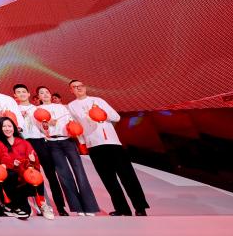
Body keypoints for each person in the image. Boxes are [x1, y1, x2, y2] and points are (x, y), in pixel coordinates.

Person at [68, 80, 148, 216]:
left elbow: (116, 117)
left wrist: (100, 112)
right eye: (75, 87)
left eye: (80, 86)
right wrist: (82, 143)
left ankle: (140, 207)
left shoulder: (98, 100)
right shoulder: (71, 106)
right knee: (108, 179)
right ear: (71, 91)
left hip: (112, 143)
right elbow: (77, 126)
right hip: (94, 145)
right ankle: (122, 209)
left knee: (127, 176)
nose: (78, 88)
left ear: (85, 87)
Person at [36, 86, 99, 216]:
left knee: (79, 172)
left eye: (47, 92)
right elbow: (40, 129)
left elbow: (72, 123)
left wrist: (81, 142)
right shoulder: (37, 110)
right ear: (39, 97)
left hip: (68, 141)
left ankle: (89, 207)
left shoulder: (62, 107)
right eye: (42, 93)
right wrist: (47, 124)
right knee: (64, 175)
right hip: (53, 143)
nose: (45, 94)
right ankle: (78, 208)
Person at [14, 84, 65, 215]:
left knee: (51, 174)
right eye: (18, 92)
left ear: (29, 94)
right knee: (30, 174)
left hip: (40, 142)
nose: (22, 94)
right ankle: (38, 204)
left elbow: (45, 129)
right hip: (24, 143)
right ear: (15, 96)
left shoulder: (37, 109)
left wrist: (46, 125)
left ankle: (60, 207)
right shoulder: (14, 110)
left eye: (24, 91)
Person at [0, 117, 51, 220]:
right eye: (4, 126)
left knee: (36, 175)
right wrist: (12, 165)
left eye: (9, 126)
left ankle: (42, 204)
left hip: (25, 180)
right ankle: (6, 203)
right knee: (26, 212)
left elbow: (34, 163)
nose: (7, 129)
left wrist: (32, 161)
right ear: (0, 128)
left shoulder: (24, 143)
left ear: (14, 127)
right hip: (12, 183)